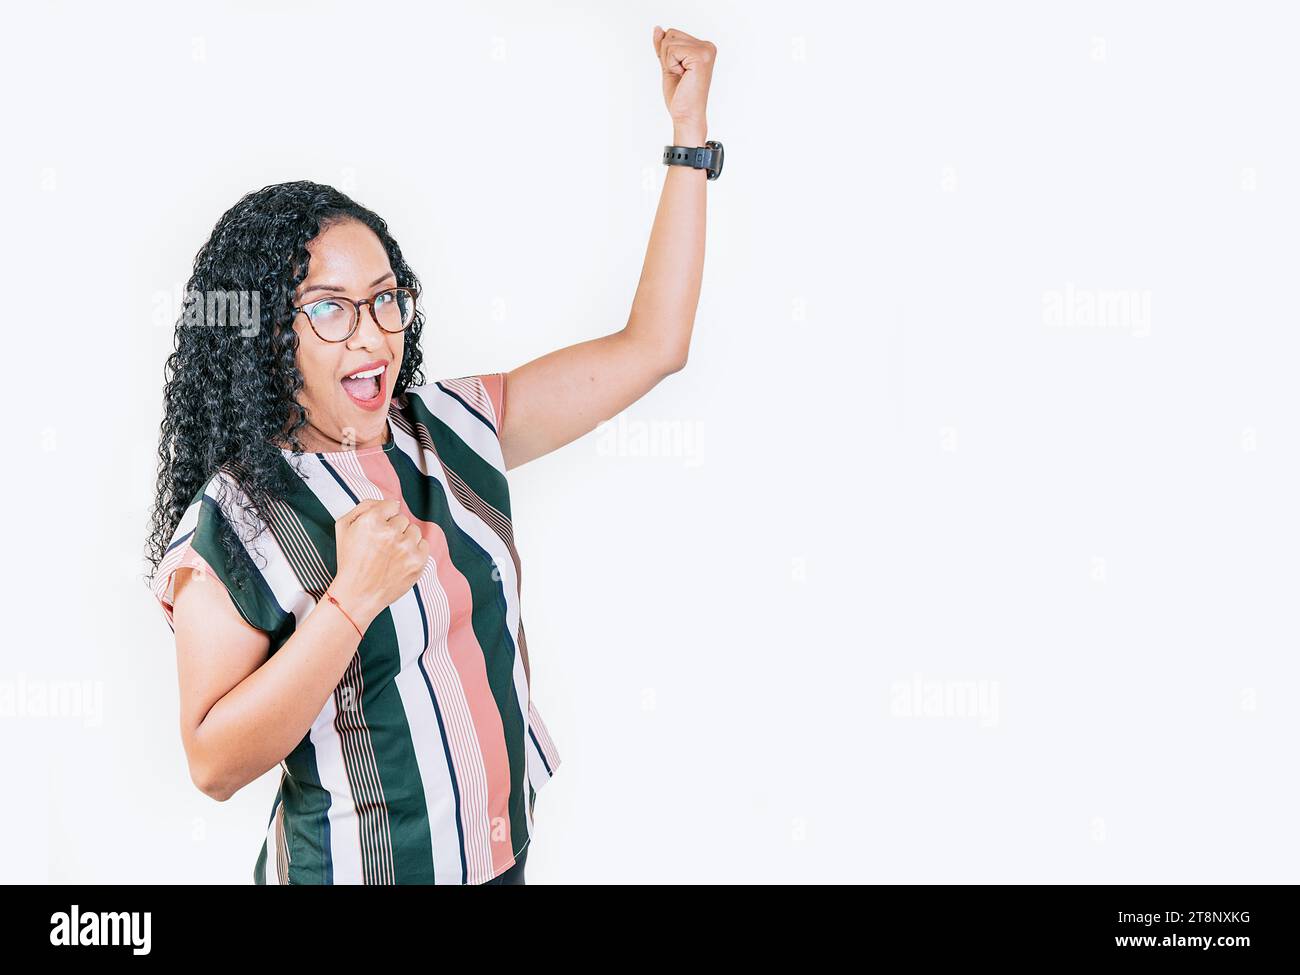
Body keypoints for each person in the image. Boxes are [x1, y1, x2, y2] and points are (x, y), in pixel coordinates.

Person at [144, 26, 718, 884]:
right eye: (330, 309)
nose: (372, 333)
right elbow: (213, 761)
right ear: (267, 335)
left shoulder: (452, 426)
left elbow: (652, 346)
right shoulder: (233, 521)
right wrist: (351, 599)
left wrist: (688, 136)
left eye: (384, 299)